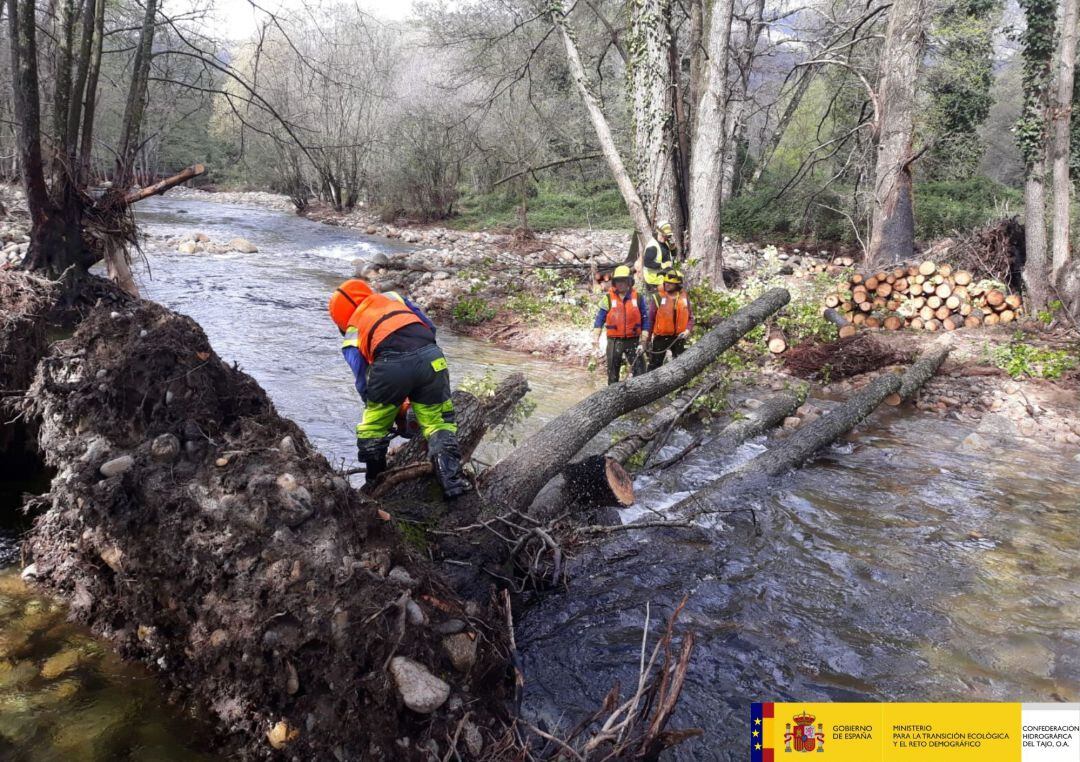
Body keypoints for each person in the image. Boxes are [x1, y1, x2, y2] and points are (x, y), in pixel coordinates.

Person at [328, 279, 471, 499]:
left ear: (340, 318)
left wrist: (390, 407)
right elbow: (429, 327)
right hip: (432, 356)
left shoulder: (352, 334)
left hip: (390, 366)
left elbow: (364, 384)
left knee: (372, 428)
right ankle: (452, 484)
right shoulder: (392, 297)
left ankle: (375, 486)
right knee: (438, 422)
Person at [592, 265, 651, 385]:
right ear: (614, 283)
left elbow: (645, 320)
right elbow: (599, 320)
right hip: (614, 342)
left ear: (629, 282)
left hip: (633, 340)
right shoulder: (608, 298)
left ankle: (640, 397)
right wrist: (595, 340)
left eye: (624, 280)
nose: (621, 284)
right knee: (613, 373)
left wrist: (644, 341)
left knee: (640, 371)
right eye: (618, 281)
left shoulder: (639, 298)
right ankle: (612, 398)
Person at [646, 271, 693, 371]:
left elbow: (691, 318)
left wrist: (687, 330)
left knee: (682, 364)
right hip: (660, 338)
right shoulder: (657, 298)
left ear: (677, 284)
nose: (667, 285)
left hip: (679, 337)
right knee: (655, 365)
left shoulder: (684, 297)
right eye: (666, 282)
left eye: (670, 283)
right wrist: (647, 339)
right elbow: (650, 320)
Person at [642, 220, 679, 294]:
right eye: (663, 235)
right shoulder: (652, 246)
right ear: (658, 233)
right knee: (657, 302)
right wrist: (661, 265)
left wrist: (673, 249)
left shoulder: (665, 242)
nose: (665, 238)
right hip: (653, 282)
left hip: (663, 279)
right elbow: (647, 263)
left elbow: (673, 255)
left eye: (667, 236)